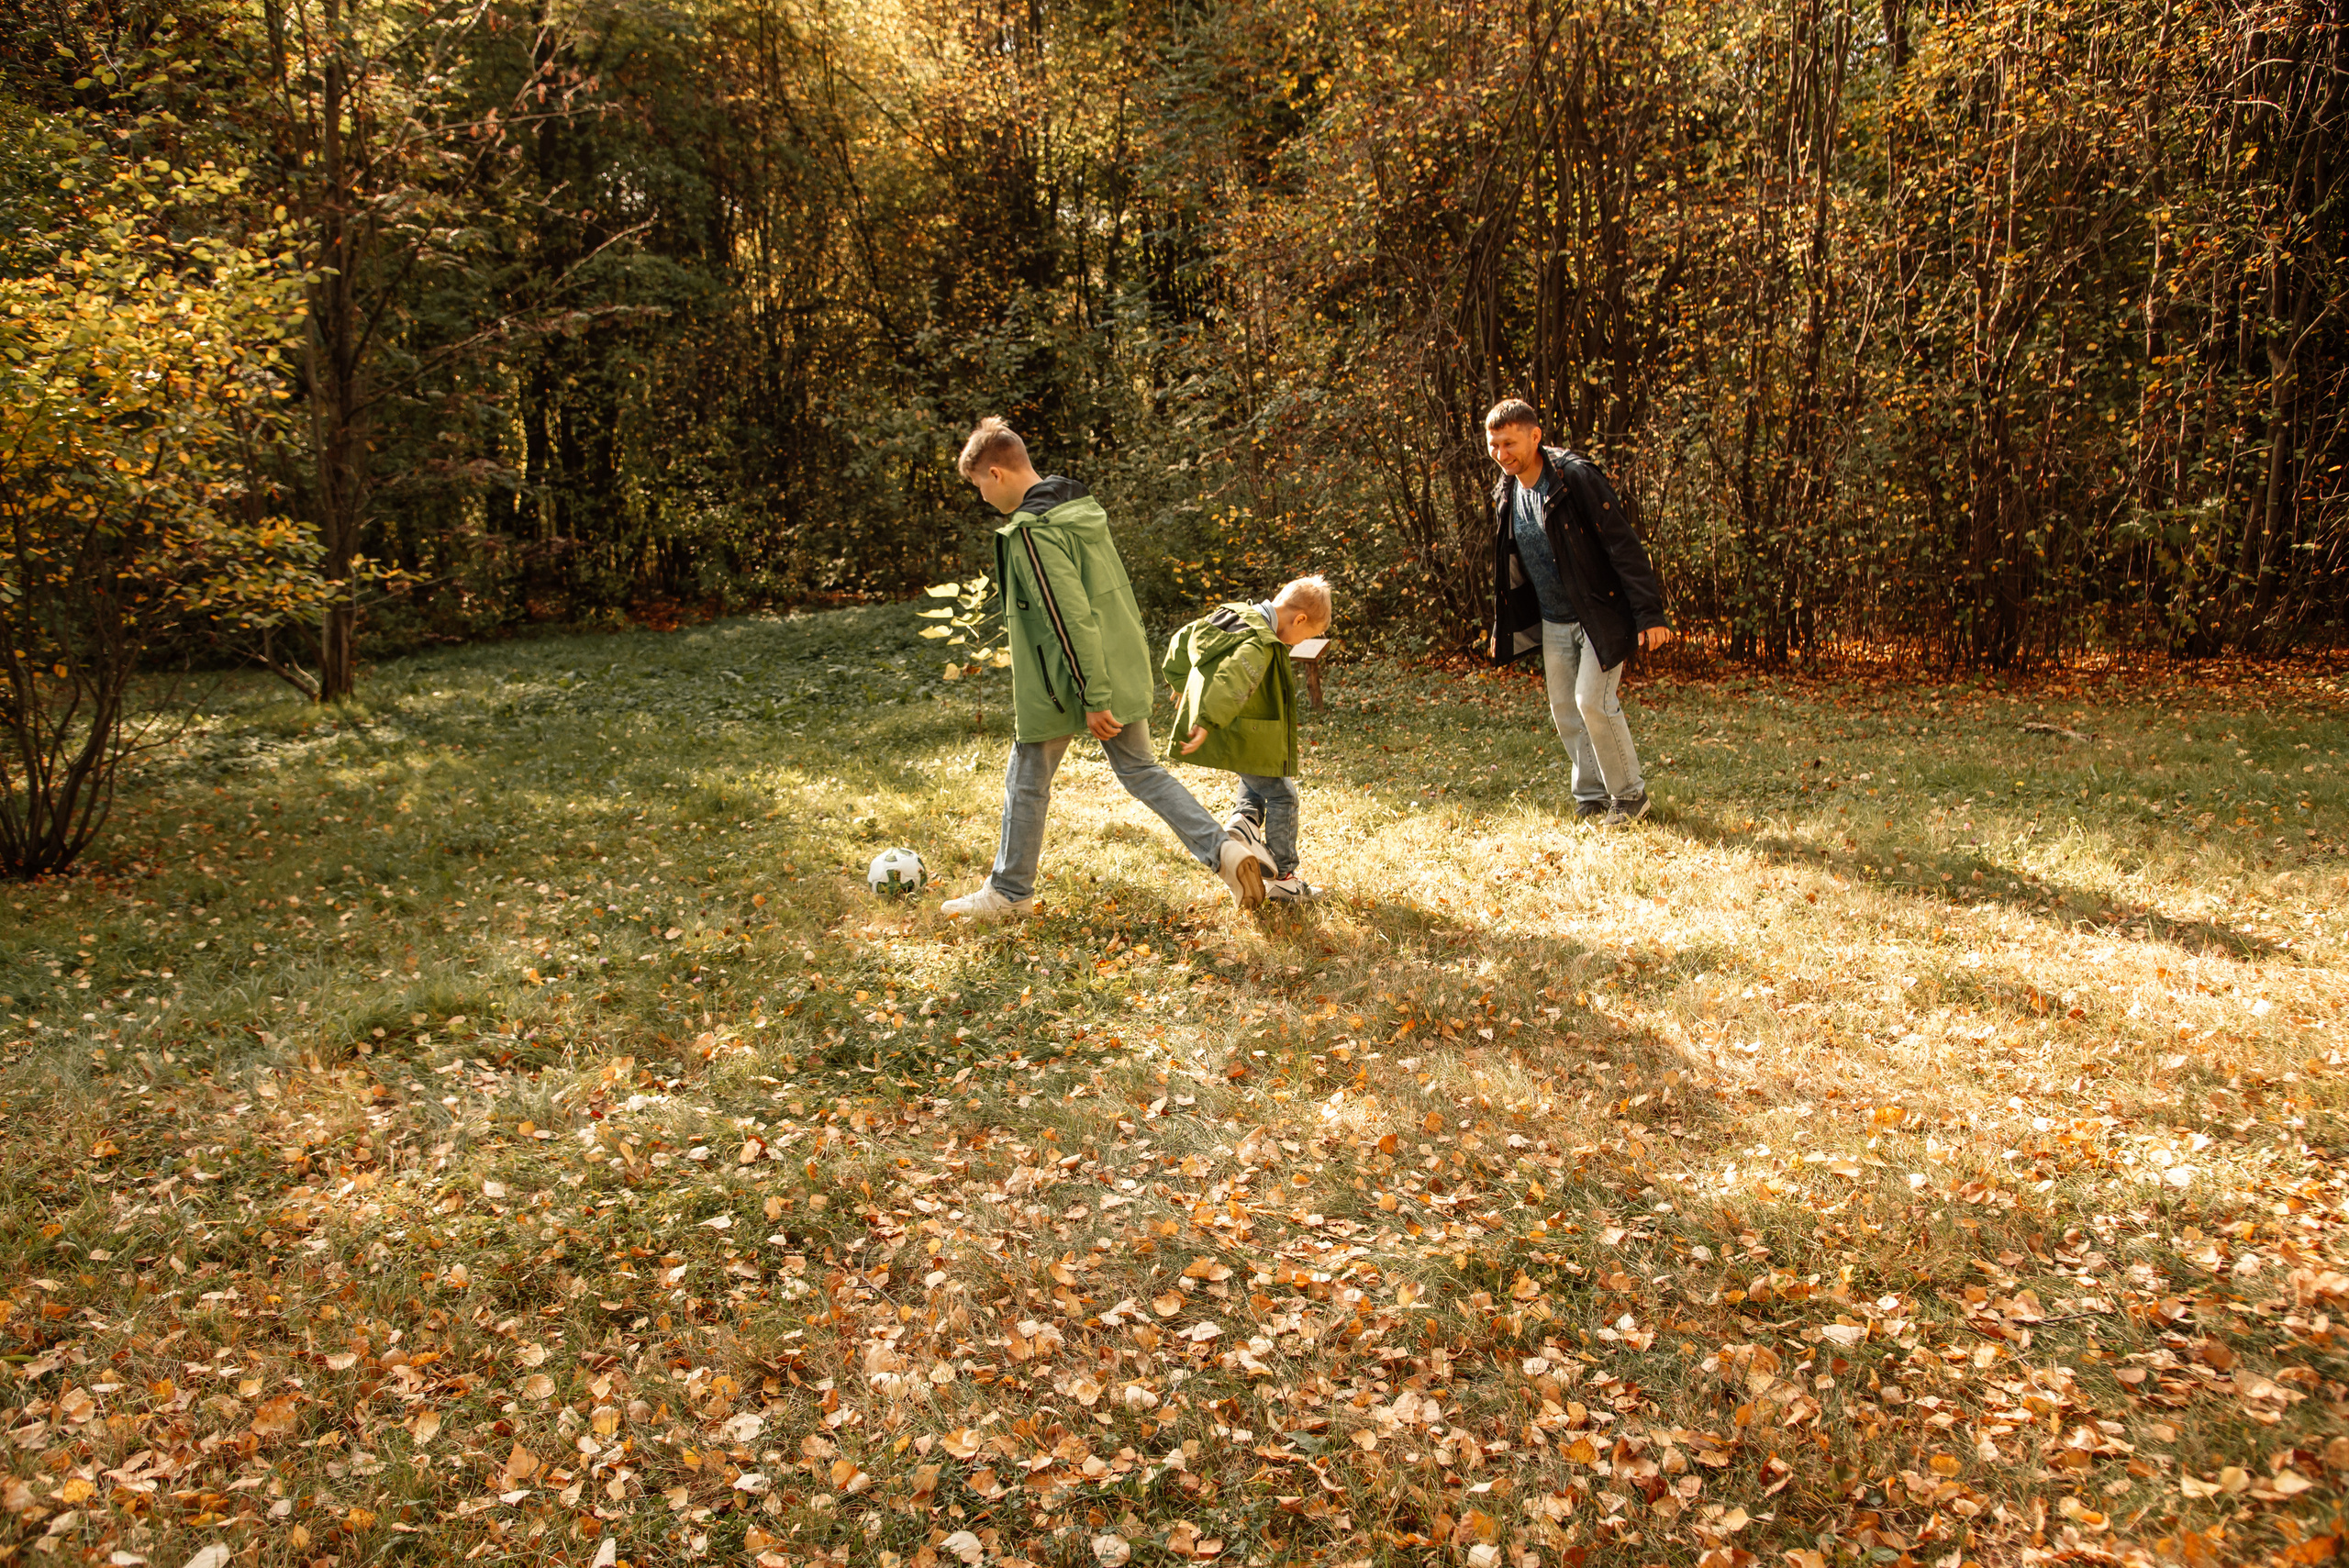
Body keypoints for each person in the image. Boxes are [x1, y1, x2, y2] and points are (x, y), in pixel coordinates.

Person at [940, 417, 1276, 920]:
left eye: (979, 486)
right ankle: (1226, 852)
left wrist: (1092, 696)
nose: (983, 498)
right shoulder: (1078, 510)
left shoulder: (1033, 533)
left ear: (996, 473)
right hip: (1117, 663)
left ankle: (1009, 893)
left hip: (1065, 681)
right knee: (1141, 771)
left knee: (1026, 780)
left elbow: (1066, 616)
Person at [1484, 398, 1674, 824]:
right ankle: (1591, 796)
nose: (1501, 454)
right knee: (1566, 710)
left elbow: (1622, 543)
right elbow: (1509, 567)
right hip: (1553, 618)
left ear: (1535, 436)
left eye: (1509, 443)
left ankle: (1630, 796)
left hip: (1599, 612)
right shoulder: (1507, 490)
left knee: (1593, 701)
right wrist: (1502, 624)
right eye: (1493, 445)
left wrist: (1650, 614)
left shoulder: (1574, 478)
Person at [1162, 577, 1333, 903]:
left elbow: (1184, 639)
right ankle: (1284, 878)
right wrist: (1206, 719)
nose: (1298, 643)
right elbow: (1232, 680)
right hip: (1237, 724)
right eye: (1305, 636)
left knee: (1257, 772)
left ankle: (1245, 821)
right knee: (1283, 796)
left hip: (1240, 727)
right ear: (1299, 619)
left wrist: (1180, 680)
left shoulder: (1233, 614)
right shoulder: (1259, 641)